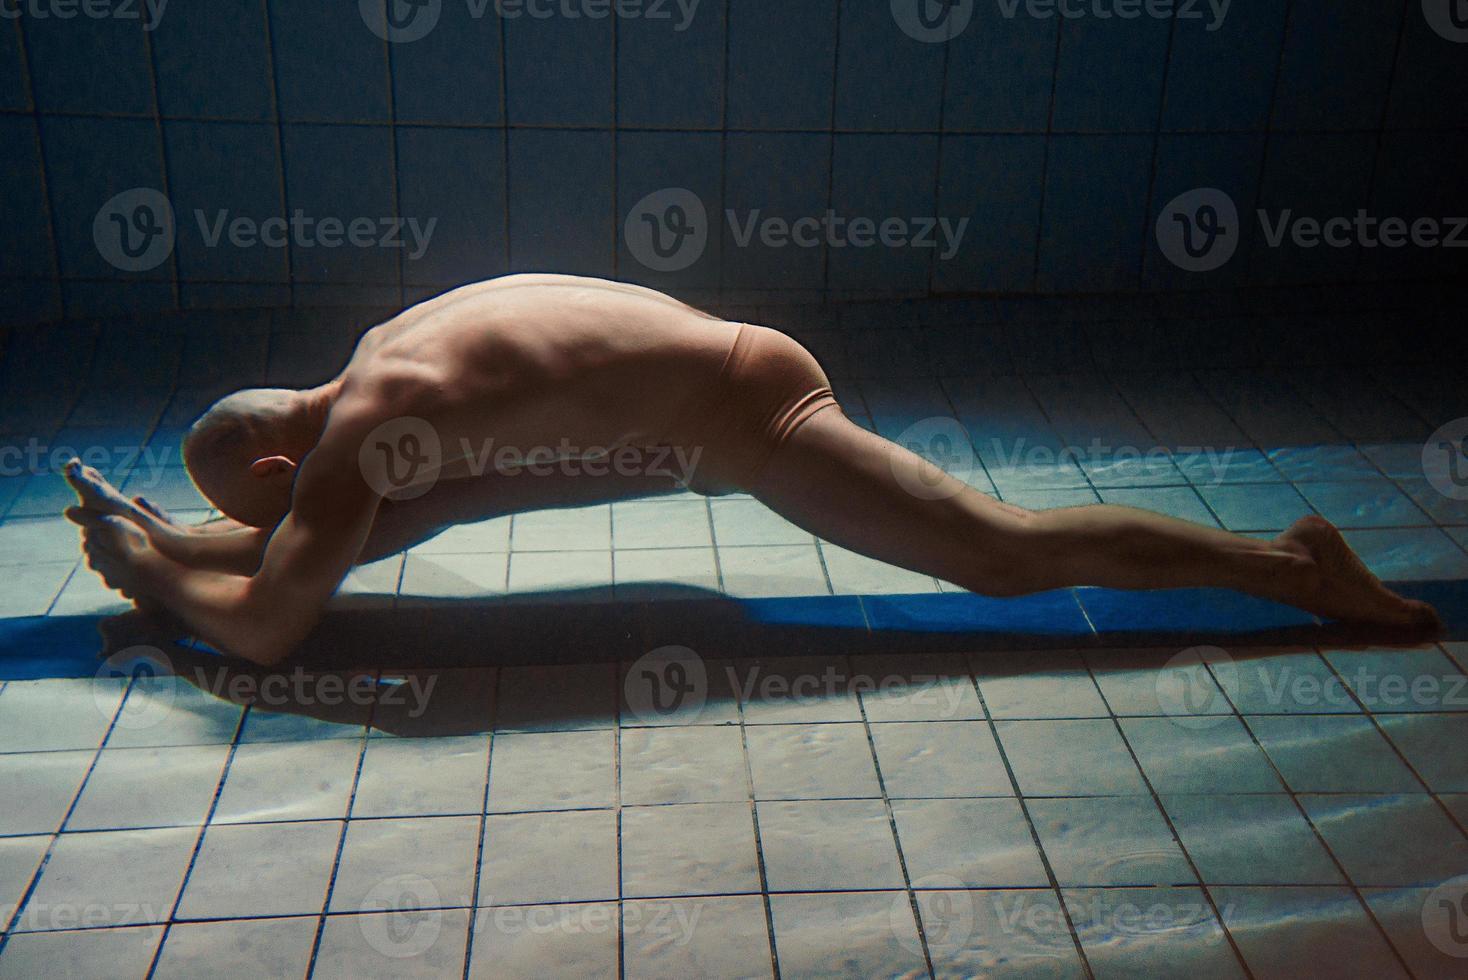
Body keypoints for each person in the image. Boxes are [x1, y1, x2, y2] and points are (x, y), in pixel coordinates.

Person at [63, 274, 1438, 665]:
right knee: (410, 516)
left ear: (294, 458)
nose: (300, 518)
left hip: (747, 420)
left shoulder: (362, 440)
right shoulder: (381, 365)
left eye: (280, 500)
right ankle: (1286, 567)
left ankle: (1290, 570)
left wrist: (145, 569)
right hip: (715, 387)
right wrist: (174, 539)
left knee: (1002, 558)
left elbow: (277, 623)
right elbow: (340, 539)